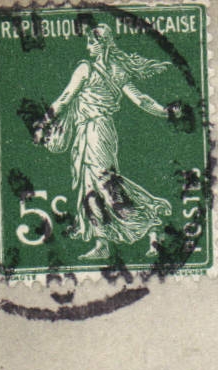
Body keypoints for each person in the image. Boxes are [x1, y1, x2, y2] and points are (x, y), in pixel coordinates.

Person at [35, 23, 177, 260]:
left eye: (91, 43)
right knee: (91, 186)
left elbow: (65, 98)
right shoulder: (117, 70)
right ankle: (103, 243)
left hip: (95, 132)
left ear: (103, 45)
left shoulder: (86, 68)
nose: (88, 47)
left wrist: (42, 123)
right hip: (95, 131)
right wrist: (165, 112)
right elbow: (141, 100)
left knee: (104, 185)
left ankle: (151, 220)